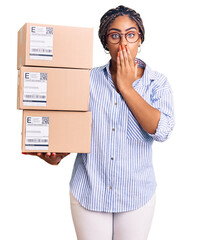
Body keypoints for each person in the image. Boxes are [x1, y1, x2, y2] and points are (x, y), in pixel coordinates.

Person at [24, 5, 174, 240]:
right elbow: (71, 126)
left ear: (140, 39)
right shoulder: (86, 79)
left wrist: (124, 86)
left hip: (136, 195)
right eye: (115, 35)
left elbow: (162, 130)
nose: (123, 43)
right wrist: (57, 154)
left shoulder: (157, 83)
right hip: (89, 191)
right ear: (105, 43)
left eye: (131, 34)